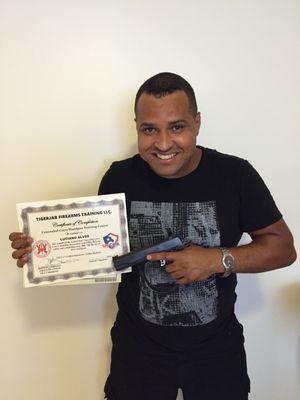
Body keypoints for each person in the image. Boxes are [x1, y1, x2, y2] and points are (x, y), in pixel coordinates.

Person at [9, 72, 297, 400]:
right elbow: (101, 253)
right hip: (138, 354)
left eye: (176, 127)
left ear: (197, 123)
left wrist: (217, 260)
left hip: (217, 352)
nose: (162, 144)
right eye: (149, 129)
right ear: (136, 126)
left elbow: (283, 248)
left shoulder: (236, 175)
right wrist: (46, 250)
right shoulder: (120, 177)